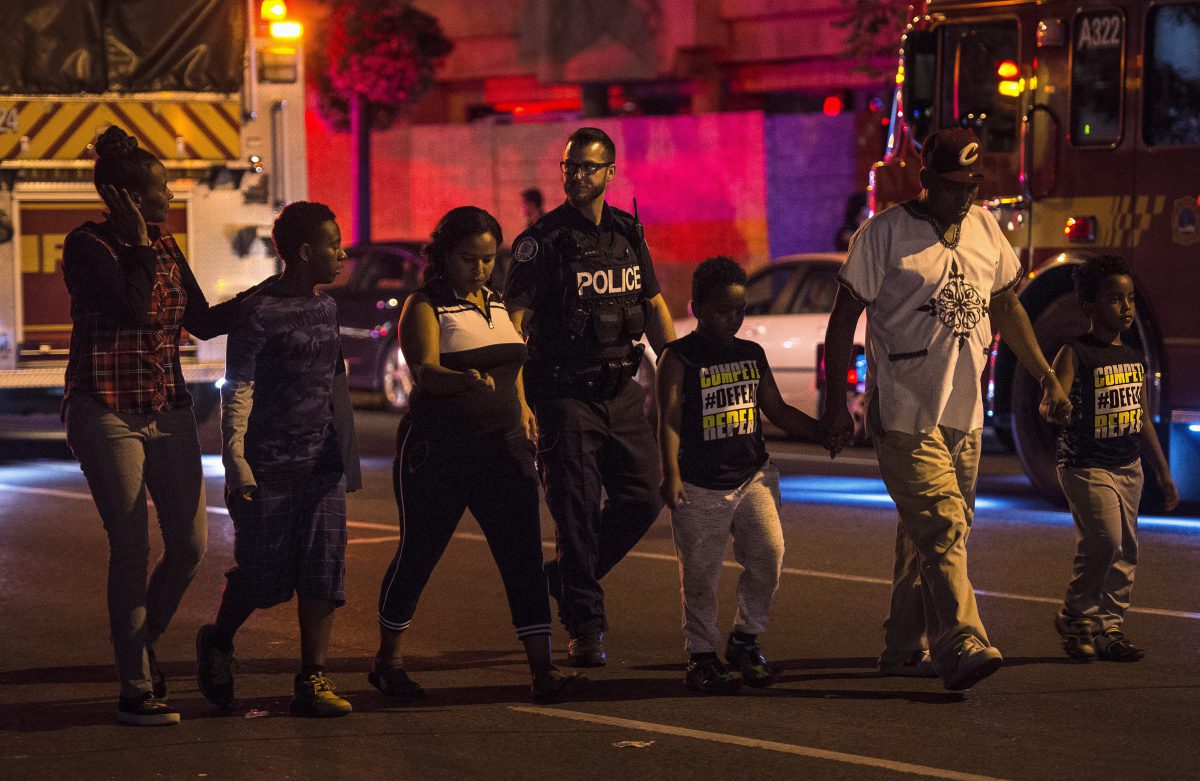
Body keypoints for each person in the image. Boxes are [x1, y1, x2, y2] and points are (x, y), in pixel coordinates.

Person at [820, 128, 1072, 692]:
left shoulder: (984, 227)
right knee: (943, 524)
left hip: (963, 414)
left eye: (972, 185)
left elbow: (1006, 304)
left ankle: (902, 646)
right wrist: (839, 404)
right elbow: (844, 318)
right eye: (954, 186)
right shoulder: (883, 233)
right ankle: (960, 641)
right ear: (926, 180)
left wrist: (1048, 377)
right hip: (905, 413)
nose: (965, 196)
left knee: (930, 534)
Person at [62, 125, 242, 725]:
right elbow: (134, 309)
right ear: (129, 197)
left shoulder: (165, 245)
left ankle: (142, 649)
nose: (171, 198)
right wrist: (138, 245)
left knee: (191, 546)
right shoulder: (87, 247)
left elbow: (204, 321)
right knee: (131, 548)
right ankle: (135, 686)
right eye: (161, 189)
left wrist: (276, 294)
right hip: (107, 410)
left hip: (167, 409)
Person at [370, 207, 583, 702]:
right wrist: (461, 378)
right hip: (439, 451)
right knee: (419, 554)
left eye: (489, 259)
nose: (482, 269)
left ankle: (543, 672)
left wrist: (524, 407)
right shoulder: (425, 306)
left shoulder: (496, 304)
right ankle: (388, 660)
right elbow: (422, 370)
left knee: (524, 558)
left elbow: (514, 366)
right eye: (471, 259)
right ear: (444, 255)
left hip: (504, 452)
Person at [505, 127, 676, 667]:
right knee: (576, 513)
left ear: (610, 173)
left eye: (588, 167)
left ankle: (564, 579)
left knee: (643, 497)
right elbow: (515, 325)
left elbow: (652, 306)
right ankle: (585, 625)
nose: (576, 175)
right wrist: (520, 401)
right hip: (563, 394)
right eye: (569, 166)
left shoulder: (627, 232)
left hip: (622, 393)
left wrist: (681, 368)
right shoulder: (543, 241)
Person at [195, 201, 361, 718]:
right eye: (334, 244)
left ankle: (312, 678)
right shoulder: (258, 310)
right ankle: (218, 639)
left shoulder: (327, 306)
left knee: (323, 569)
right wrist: (235, 460)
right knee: (263, 578)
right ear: (307, 252)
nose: (342, 252)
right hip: (268, 463)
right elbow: (238, 387)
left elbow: (336, 384)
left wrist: (346, 457)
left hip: (322, 464)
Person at [657, 257, 837, 694]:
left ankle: (745, 638)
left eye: (740, 310)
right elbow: (668, 419)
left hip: (752, 475)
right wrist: (672, 474)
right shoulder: (679, 357)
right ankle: (701, 656)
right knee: (700, 576)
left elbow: (774, 410)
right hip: (700, 484)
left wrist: (821, 432)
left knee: (768, 556)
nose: (733, 319)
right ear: (696, 307)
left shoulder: (750, 354)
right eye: (722, 310)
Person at [1049, 255, 1178, 662]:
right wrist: (1057, 408)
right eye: (1114, 299)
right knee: (1104, 540)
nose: (1126, 308)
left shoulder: (1135, 358)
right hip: (1086, 466)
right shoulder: (1075, 353)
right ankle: (1075, 614)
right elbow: (1050, 401)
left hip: (1129, 468)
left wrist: (1163, 471)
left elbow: (1140, 418)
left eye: (1130, 299)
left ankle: (1109, 628)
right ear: (1089, 307)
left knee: (1125, 551)